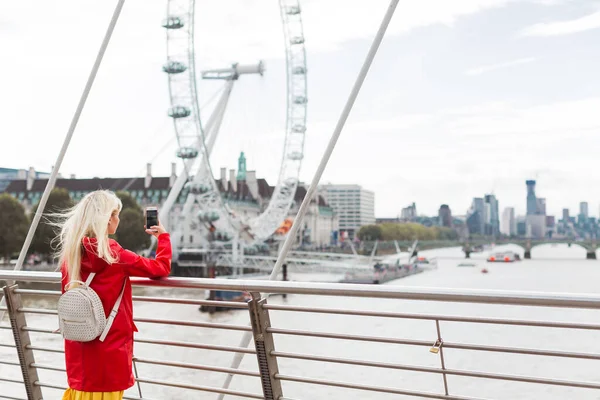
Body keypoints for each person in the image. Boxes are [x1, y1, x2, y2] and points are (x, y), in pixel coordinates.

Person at [55, 190, 172, 400]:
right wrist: (162, 237)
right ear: (108, 218)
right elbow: (160, 268)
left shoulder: (70, 255)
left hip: (79, 352)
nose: (118, 219)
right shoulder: (115, 255)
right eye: (117, 214)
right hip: (109, 350)